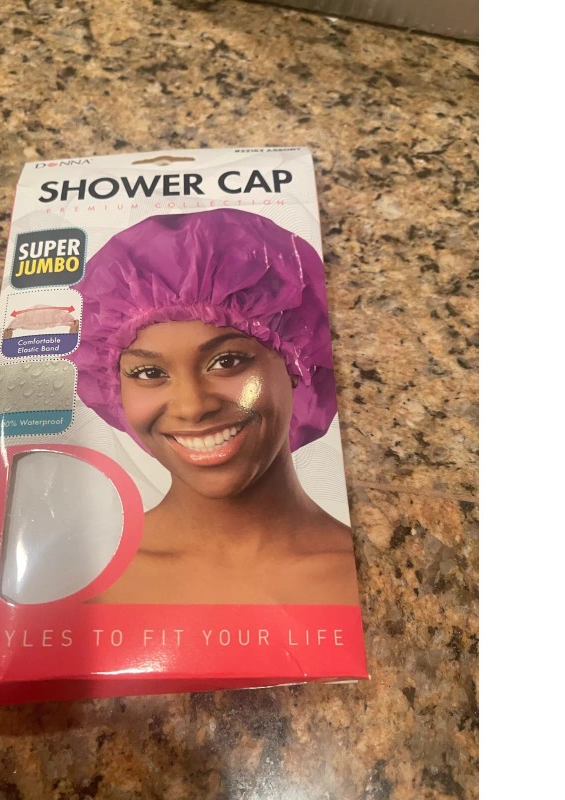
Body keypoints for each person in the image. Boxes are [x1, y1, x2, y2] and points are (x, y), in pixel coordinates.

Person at [73, 209, 359, 604]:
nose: (192, 407)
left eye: (227, 361)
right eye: (149, 372)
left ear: (298, 364)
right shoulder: (85, 580)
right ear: (114, 387)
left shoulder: (372, 578)